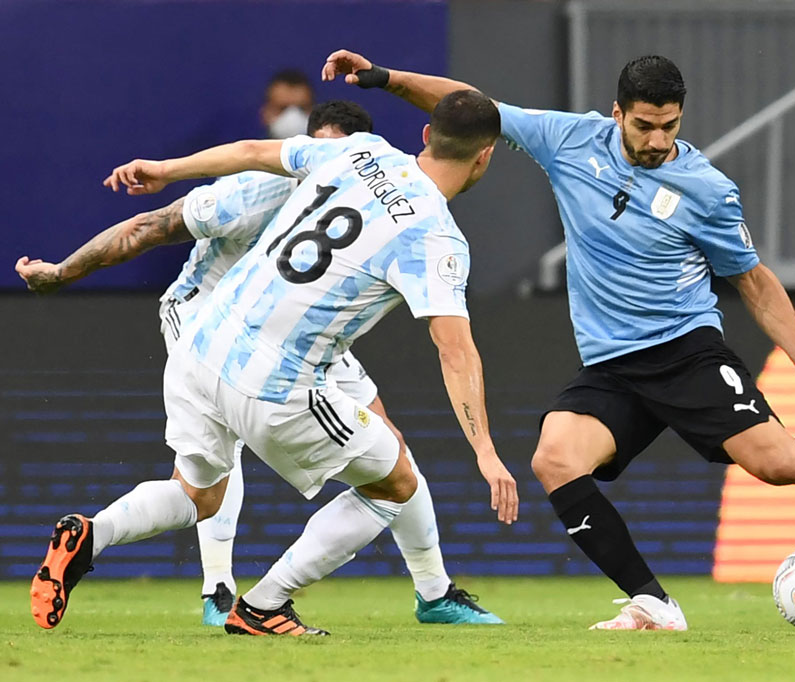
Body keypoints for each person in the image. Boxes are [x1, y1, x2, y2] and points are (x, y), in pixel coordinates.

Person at [322, 49, 795, 630]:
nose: (658, 140)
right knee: (556, 460)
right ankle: (652, 601)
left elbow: (753, 280)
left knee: (775, 465)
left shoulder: (706, 188)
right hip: (612, 366)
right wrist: (383, 79)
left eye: (670, 127)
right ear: (618, 112)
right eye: (646, 126)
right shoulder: (568, 139)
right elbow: (471, 109)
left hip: (686, 351)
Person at [27, 89, 517, 636]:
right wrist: (486, 451)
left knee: (199, 494)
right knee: (395, 481)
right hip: (273, 378)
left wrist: (167, 169)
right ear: (484, 157)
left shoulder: (360, 151)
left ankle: (89, 534)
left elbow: (249, 148)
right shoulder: (436, 237)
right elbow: (456, 350)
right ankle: (263, 605)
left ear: (425, 135)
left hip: (200, 346)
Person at [262, 69, 316, 139]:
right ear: (265, 113)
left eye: (302, 108)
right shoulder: (246, 149)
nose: (292, 117)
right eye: (282, 108)